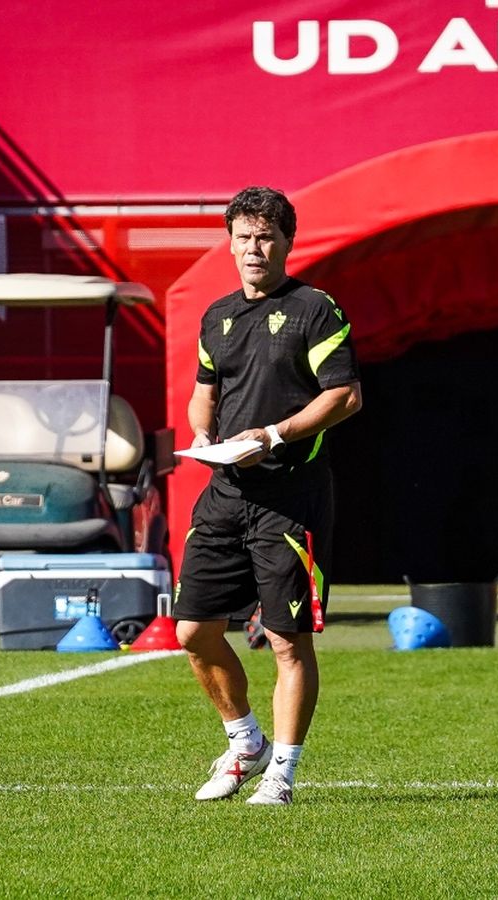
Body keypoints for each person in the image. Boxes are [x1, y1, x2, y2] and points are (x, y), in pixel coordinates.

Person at [175, 186, 362, 806]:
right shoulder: (216, 315)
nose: (254, 249)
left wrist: (274, 435)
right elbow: (206, 389)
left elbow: (344, 397)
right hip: (224, 492)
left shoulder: (315, 309)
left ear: (287, 242)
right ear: (229, 243)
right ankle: (245, 740)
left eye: (265, 238)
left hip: (291, 498)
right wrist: (204, 435)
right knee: (192, 630)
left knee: (287, 639)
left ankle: (281, 770)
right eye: (243, 237)